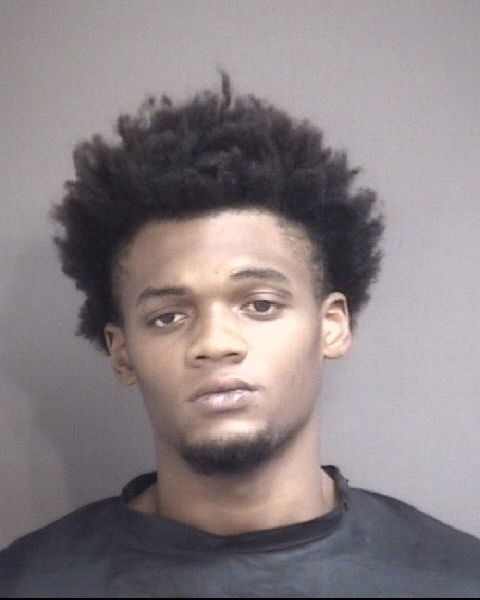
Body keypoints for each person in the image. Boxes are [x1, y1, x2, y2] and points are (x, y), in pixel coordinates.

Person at [1, 73, 479, 598]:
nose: (215, 343)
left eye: (260, 305)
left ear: (332, 326)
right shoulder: (27, 582)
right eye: (168, 317)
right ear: (123, 355)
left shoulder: (456, 580)